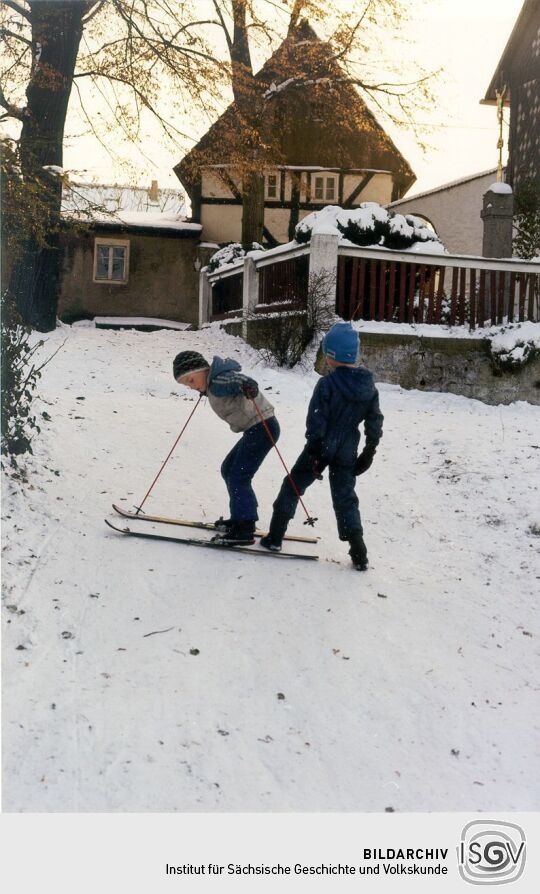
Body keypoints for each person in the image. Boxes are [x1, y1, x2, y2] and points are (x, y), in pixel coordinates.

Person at [260, 322, 383, 570]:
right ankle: (359, 551)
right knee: (345, 498)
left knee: (293, 485)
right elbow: (374, 420)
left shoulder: (326, 385)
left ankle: (275, 536)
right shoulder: (368, 387)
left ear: (331, 357)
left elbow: (316, 420)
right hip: (347, 450)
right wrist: (369, 450)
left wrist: (315, 451)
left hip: (322, 446)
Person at [173, 351, 279, 545]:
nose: (191, 386)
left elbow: (238, 379)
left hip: (262, 428)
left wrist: (247, 385)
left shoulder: (220, 380)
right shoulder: (214, 384)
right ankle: (242, 516)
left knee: (238, 475)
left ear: (203, 370)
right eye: (187, 384)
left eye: (191, 380)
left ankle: (245, 526)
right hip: (255, 429)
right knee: (229, 469)